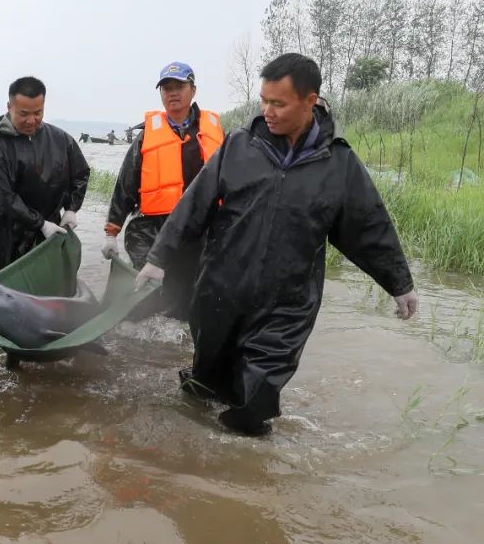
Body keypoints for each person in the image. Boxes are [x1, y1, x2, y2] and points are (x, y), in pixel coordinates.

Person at [135, 53, 418, 435]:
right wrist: (158, 258)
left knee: (256, 402)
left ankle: (245, 476)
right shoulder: (239, 146)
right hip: (220, 292)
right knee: (205, 387)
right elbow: (194, 205)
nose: (267, 110)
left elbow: (368, 227)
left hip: (287, 304)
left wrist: (398, 283)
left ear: (310, 101)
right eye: (264, 100)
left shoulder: (338, 164)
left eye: (278, 103)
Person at [101, 61, 223, 322]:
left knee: (188, 299)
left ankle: (178, 348)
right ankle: (146, 347)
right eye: (166, 88)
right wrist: (111, 232)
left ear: (193, 90)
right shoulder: (147, 137)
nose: (172, 93)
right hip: (152, 229)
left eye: (178, 86)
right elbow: (125, 185)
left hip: (198, 231)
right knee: (148, 296)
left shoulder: (213, 132)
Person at [0, 76, 90, 274]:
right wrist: (39, 223)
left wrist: (71, 208)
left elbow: (81, 174)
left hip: (53, 231)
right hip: (8, 236)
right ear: (9, 107)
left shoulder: (61, 139)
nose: (31, 120)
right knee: (10, 295)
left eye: (38, 113)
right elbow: (3, 198)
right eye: (24, 114)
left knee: (53, 294)